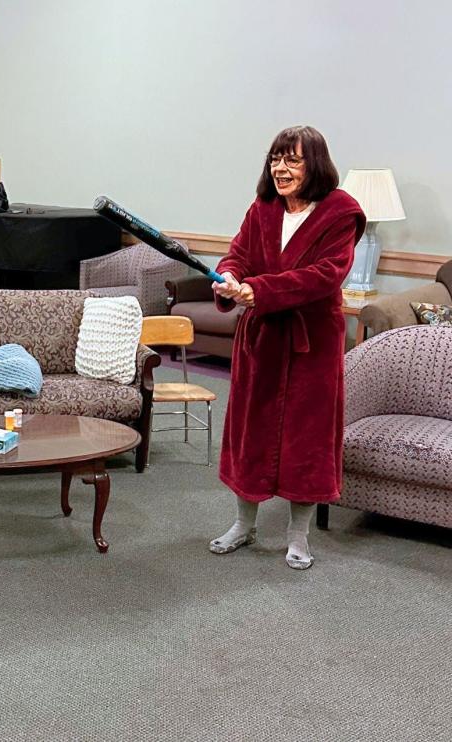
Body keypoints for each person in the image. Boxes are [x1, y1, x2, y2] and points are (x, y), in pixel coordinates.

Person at [208, 125, 366, 570]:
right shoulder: (262, 209)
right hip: (261, 341)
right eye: (276, 158)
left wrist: (260, 290)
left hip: (311, 343)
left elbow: (326, 275)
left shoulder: (342, 213)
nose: (281, 168)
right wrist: (232, 279)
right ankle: (244, 524)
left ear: (314, 162)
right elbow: (236, 254)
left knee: (307, 439)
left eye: (292, 159)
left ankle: (299, 535)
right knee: (250, 430)